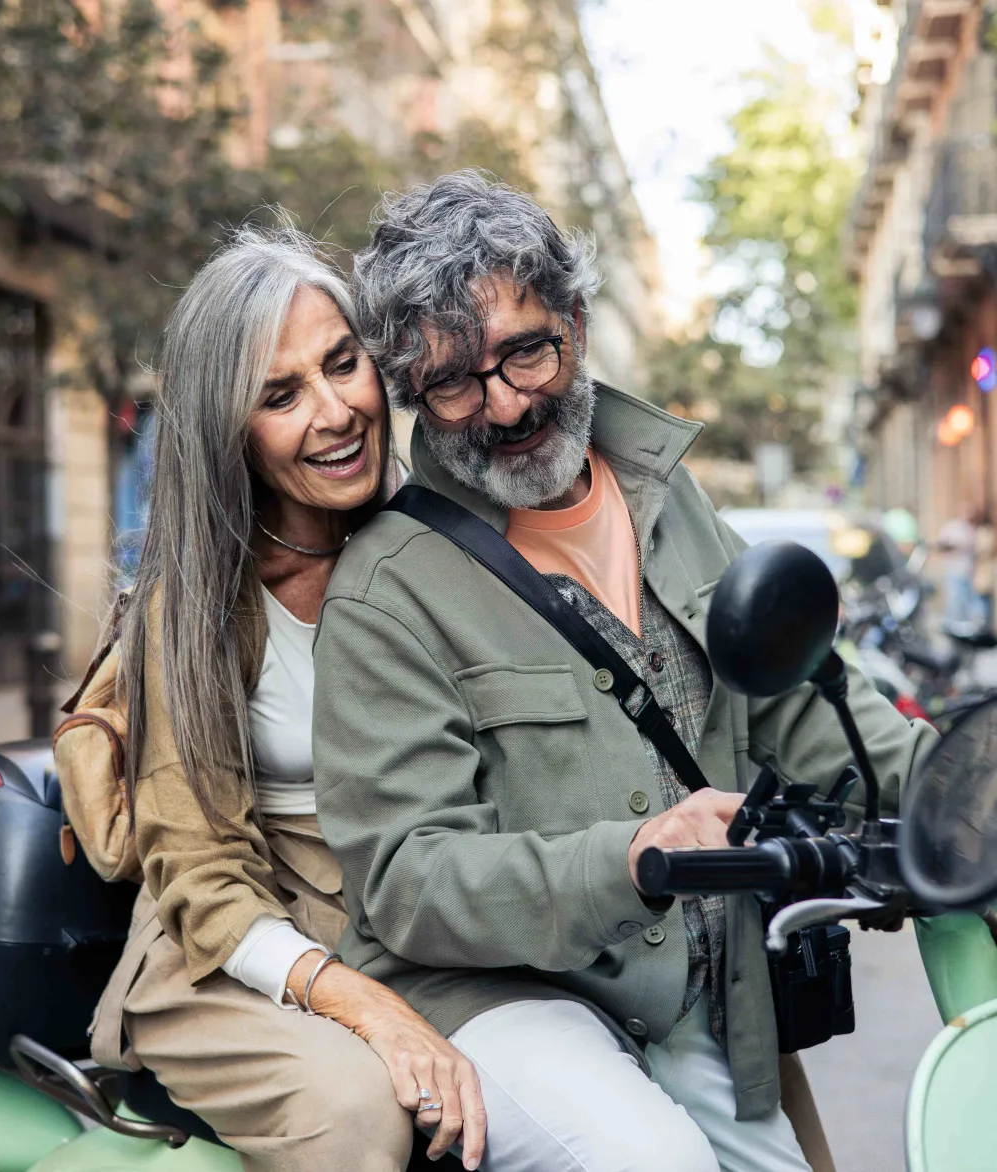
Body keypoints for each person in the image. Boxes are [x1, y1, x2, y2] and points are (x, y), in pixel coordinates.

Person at [312, 172, 939, 1172]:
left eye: (525, 349)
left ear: (575, 320)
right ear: (410, 394)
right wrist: (635, 853)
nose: (505, 402)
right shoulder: (386, 586)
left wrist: (954, 785)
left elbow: (796, 699)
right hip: (504, 999)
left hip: (693, 996)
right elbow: (406, 876)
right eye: (453, 380)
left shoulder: (667, 493)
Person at [86, 226, 485, 1171]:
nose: (336, 410)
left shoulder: (442, 542)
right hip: (229, 946)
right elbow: (202, 874)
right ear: (230, 427)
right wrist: (363, 1004)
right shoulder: (193, 606)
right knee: (359, 1112)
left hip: (404, 922)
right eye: (280, 394)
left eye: (342, 364)